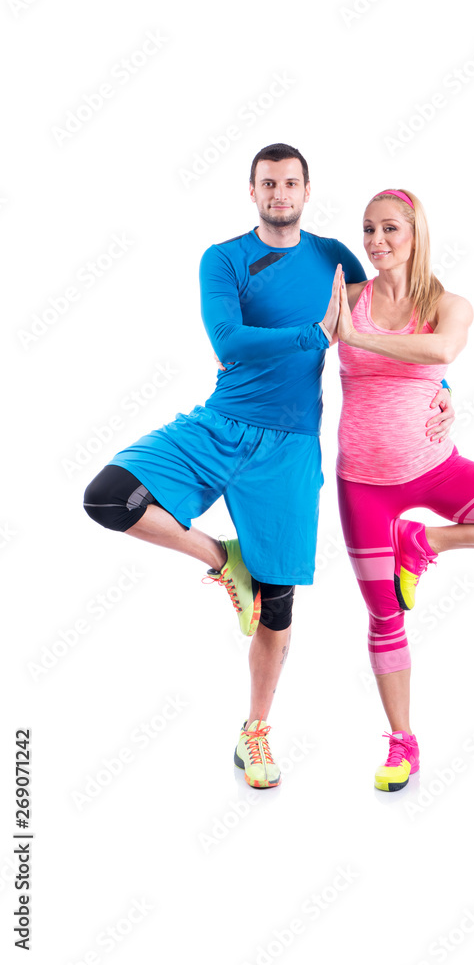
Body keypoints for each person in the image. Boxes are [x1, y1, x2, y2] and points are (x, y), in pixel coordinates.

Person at [82, 146, 454, 790]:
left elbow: (396, 316)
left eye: (290, 183)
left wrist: (442, 389)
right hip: (218, 425)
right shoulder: (223, 258)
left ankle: (254, 733)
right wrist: (315, 333)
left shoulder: (335, 257)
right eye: (268, 183)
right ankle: (223, 558)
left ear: (308, 189)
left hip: (290, 445)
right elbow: (228, 341)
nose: (279, 193)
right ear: (251, 190)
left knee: (276, 604)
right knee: (110, 498)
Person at [333, 188, 474, 792]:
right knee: (384, 614)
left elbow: (442, 350)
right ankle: (402, 741)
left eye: (390, 229)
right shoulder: (346, 297)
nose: (377, 241)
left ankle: (425, 540)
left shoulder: (449, 304)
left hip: (436, 467)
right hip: (362, 482)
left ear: (416, 235)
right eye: (368, 230)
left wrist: (360, 342)